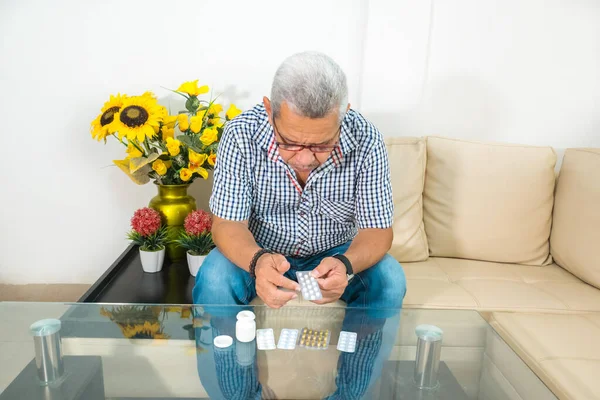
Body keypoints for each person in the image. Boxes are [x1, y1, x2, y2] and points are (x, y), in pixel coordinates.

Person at [193, 50, 406, 315]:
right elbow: (227, 223)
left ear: (344, 115)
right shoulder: (240, 134)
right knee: (214, 278)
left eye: (323, 144)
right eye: (290, 143)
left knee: (390, 280)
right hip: (259, 249)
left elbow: (377, 230)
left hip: (336, 251)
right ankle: (231, 358)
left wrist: (345, 264)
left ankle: (359, 356)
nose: (305, 159)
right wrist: (258, 260)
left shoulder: (367, 139)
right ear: (270, 111)